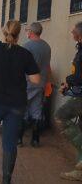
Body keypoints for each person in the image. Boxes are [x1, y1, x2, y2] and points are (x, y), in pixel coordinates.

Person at [0, 20, 40, 184]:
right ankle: (6, 180)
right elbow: (35, 79)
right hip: (16, 105)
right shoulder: (25, 54)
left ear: (4, 33)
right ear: (19, 34)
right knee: (10, 142)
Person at [18, 22, 51, 147]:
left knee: (23, 110)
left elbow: (21, 66)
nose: (27, 32)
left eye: (27, 30)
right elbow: (48, 66)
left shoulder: (26, 46)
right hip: (41, 84)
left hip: (27, 83)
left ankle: (19, 139)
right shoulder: (47, 46)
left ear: (31, 32)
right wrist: (47, 81)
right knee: (37, 111)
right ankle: (35, 140)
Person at [56, 21, 82, 181]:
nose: (71, 32)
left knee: (60, 116)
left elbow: (80, 76)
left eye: (73, 31)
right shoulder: (80, 48)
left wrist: (68, 80)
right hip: (77, 91)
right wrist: (68, 84)